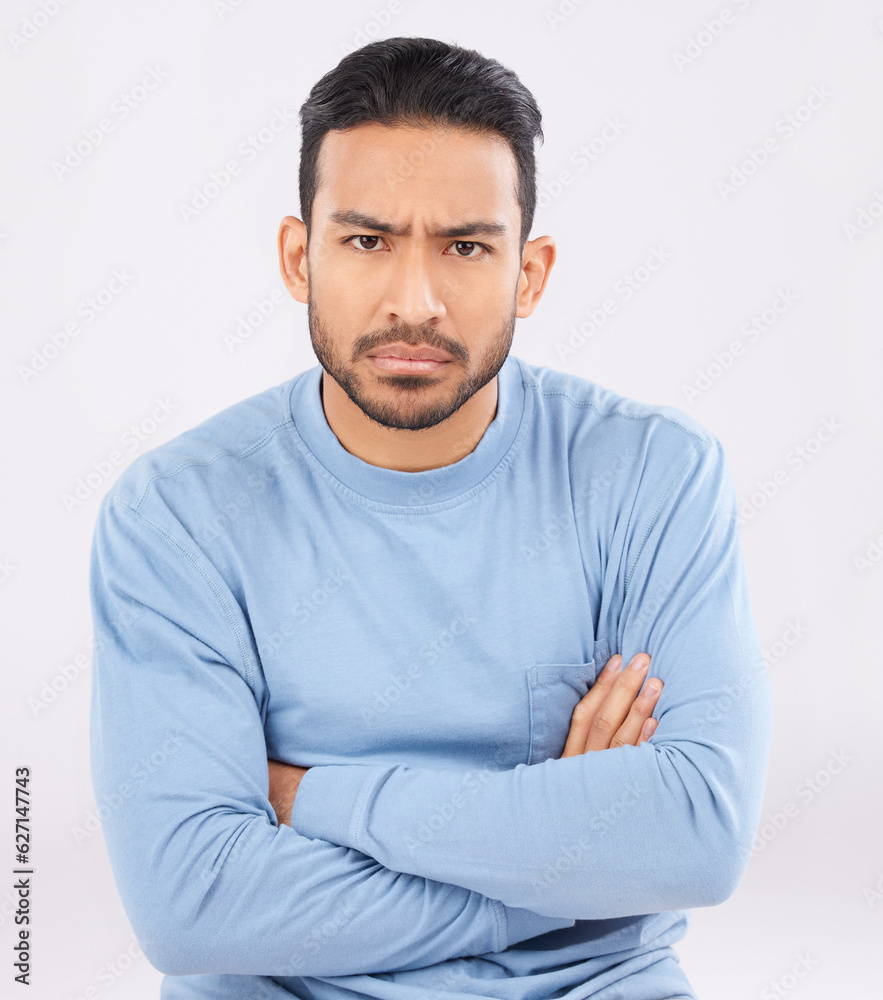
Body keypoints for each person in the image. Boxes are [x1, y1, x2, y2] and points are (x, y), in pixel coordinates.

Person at [88, 36, 774, 1000]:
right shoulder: (178, 516)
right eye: (367, 241)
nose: (415, 302)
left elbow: (697, 838)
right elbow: (193, 904)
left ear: (528, 274)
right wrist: (573, 867)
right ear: (299, 256)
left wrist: (307, 798)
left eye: (464, 247)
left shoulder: (653, 476)